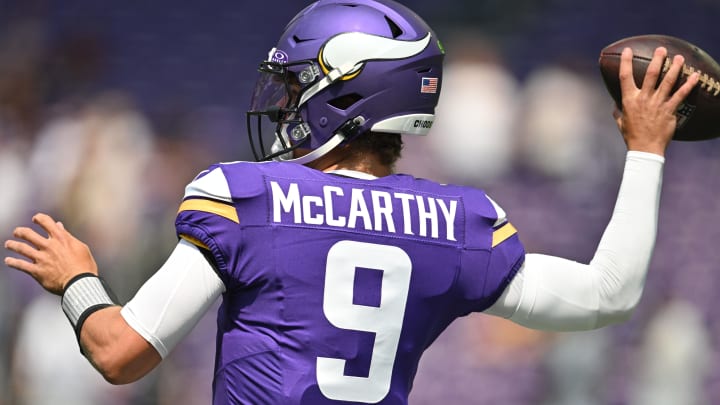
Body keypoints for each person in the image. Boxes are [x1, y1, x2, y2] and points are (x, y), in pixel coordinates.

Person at [3, 0, 699, 404]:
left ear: (345, 97)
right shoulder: (453, 225)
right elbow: (610, 293)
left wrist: (78, 281)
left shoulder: (250, 199)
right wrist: (647, 147)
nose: (282, 102)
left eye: (298, 84)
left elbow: (120, 352)